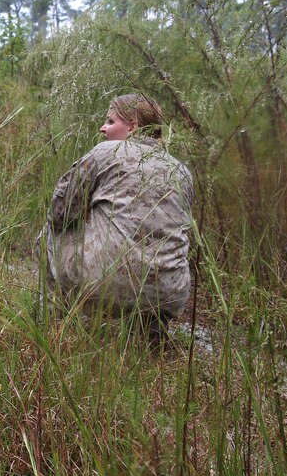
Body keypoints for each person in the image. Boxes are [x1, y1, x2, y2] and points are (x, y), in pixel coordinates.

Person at [40, 93, 194, 340]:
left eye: (110, 121)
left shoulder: (105, 152)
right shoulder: (182, 170)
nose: (103, 128)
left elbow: (61, 212)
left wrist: (87, 220)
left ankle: (53, 323)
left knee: (49, 230)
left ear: (133, 127)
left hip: (107, 286)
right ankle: (151, 330)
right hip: (169, 294)